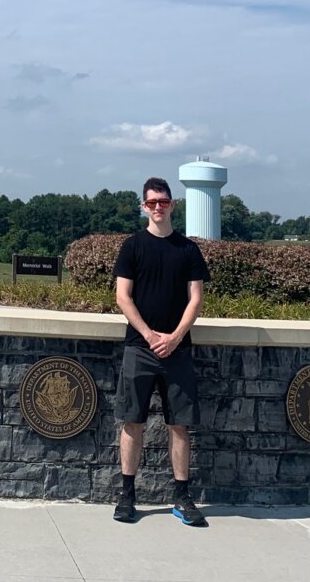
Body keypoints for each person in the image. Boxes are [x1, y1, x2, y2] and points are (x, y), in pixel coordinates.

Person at [111, 176, 211, 526]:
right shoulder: (132, 247)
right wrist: (150, 335)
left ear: (172, 205)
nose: (158, 207)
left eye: (163, 202)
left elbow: (195, 299)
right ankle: (127, 496)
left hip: (178, 351)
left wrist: (174, 337)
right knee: (132, 421)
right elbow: (123, 297)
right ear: (143, 206)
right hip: (139, 348)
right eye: (151, 202)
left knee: (179, 425)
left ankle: (182, 498)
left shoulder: (188, 250)